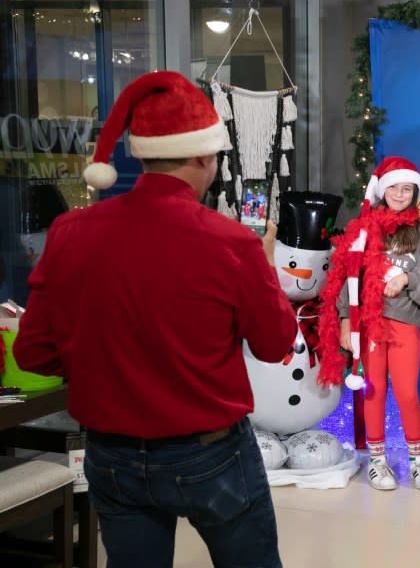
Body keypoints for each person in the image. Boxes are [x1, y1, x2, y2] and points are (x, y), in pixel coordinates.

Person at [12, 71, 297, 568]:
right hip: (210, 453)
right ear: (205, 156)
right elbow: (275, 344)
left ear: (141, 156)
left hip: (110, 451)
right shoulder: (231, 242)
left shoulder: (69, 232)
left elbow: (33, 353)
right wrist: (265, 267)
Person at [317, 156, 420, 491]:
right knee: (372, 391)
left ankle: (418, 461)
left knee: (406, 392)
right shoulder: (361, 230)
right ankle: (377, 461)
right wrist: (346, 320)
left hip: (403, 324)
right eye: (395, 187)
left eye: (408, 189)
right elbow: (345, 277)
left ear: (415, 193)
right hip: (368, 326)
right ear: (382, 190)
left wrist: (408, 277)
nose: (400, 194)